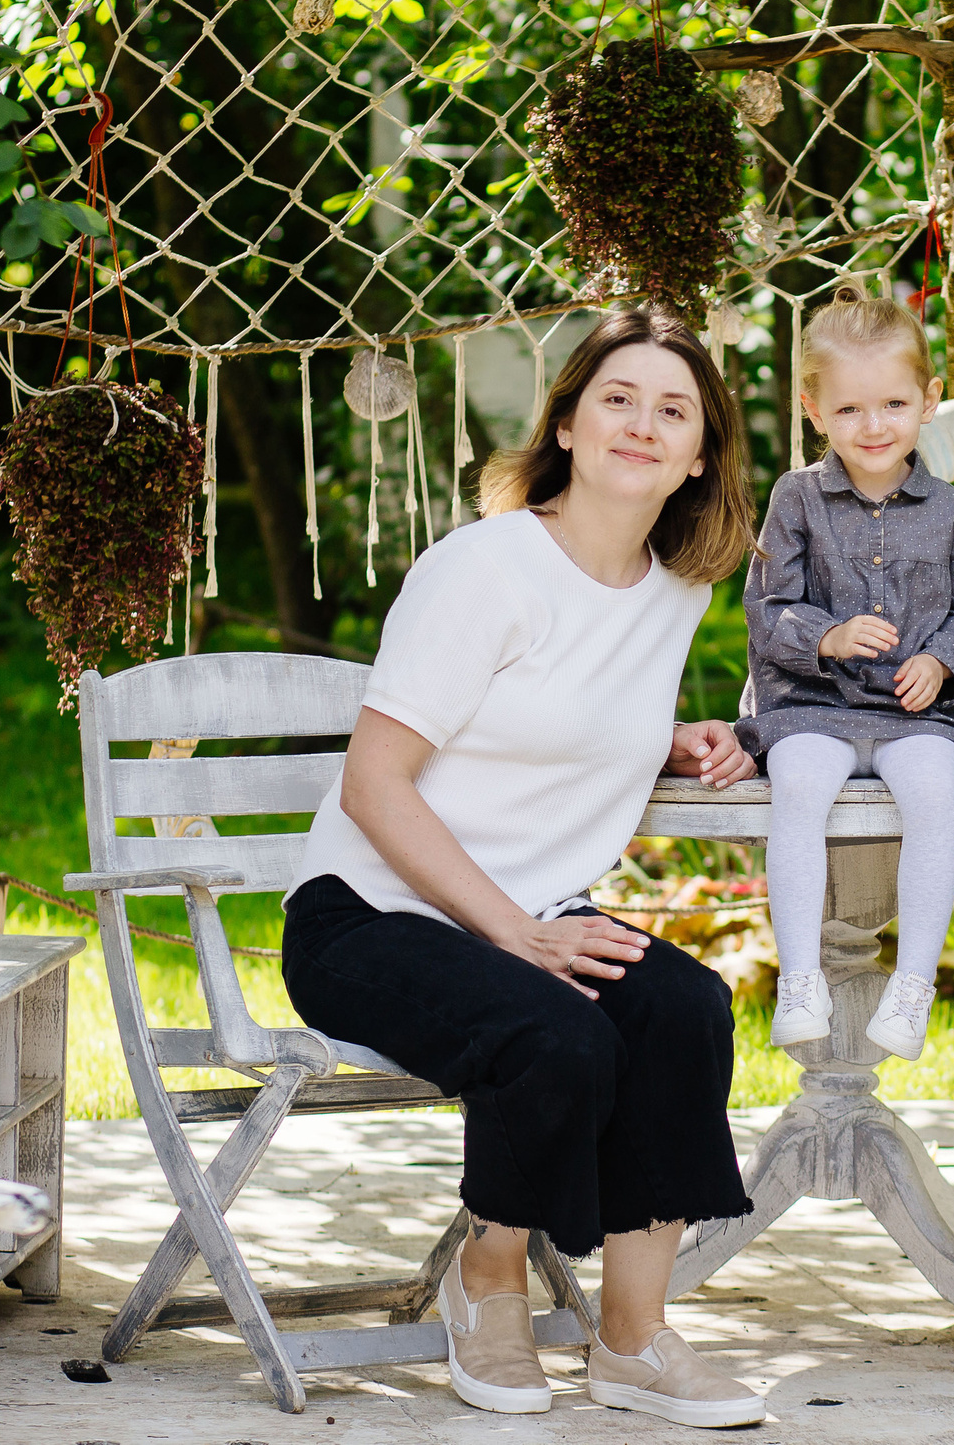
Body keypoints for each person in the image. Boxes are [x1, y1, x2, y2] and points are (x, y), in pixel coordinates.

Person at [281, 309, 771, 1429]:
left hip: (529, 917)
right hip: (368, 917)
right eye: (617, 397)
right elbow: (375, 784)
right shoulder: (485, 566)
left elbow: (561, 716)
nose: (641, 424)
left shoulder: (677, 588)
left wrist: (673, 736)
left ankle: (634, 1339)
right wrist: (515, 931)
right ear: (566, 421)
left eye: (673, 409)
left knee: (684, 1008)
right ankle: (487, 1277)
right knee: (558, 1031)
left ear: (700, 454)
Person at [740, 293, 954, 1059]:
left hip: (911, 713)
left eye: (894, 403)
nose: (875, 425)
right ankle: (800, 979)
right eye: (851, 408)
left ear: (929, 400)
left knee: (933, 790)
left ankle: (912, 988)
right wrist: (829, 635)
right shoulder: (796, 497)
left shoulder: (950, 510)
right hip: (813, 708)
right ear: (814, 409)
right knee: (798, 786)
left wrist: (940, 661)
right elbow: (767, 606)